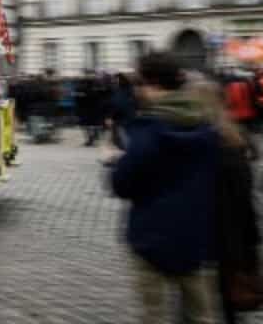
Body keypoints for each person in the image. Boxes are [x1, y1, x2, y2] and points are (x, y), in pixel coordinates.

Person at [111, 51, 219, 324]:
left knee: (153, 315)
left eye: (138, 83)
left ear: (153, 84)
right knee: (201, 315)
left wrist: (116, 161)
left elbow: (122, 184)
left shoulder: (148, 130)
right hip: (196, 234)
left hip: (152, 234)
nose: (136, 91)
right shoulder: (206, 127)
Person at [190, 79, 263, 323]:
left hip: (209, 236)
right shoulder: (234, 136)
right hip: (233, 237)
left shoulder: (199, 141)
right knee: (227, 304)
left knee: (199, 303)